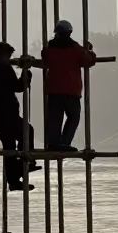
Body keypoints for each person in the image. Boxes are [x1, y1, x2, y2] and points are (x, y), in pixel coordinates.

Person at [0, 42, 40, 191]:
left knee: (9, 145)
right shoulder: (3, 68)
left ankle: (14, 179)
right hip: (5, 114)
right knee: (27, 131)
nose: (9, 59)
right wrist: (26, 74)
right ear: (2, 55)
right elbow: (18, 87)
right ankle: (25, 164)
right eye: (8, 56)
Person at [42, 19, 97, 151]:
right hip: (71, 90)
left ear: (57, 33)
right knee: (73, 117)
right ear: (70, 33)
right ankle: (64, 143)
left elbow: (45, 56)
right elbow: (89, 60)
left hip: (54, 89)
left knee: (55, 119)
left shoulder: (50, 50)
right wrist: (90, 50)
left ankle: (54, 144)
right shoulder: (77, 49)